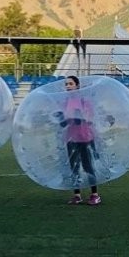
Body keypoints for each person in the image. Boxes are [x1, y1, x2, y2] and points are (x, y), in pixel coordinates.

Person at [56, 75, 101, 205]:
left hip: (85, 138)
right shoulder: (64, 103)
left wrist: (78, 117)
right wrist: (60, 118)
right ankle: (77, 195)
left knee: (88, 167)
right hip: (71, 139)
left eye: (70, 84)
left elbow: (89, 119)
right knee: (74, 167)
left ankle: (95, 195)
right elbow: (64, 125)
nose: (68, 86)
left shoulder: (84, 101)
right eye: (66, 84)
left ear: (77, 86)